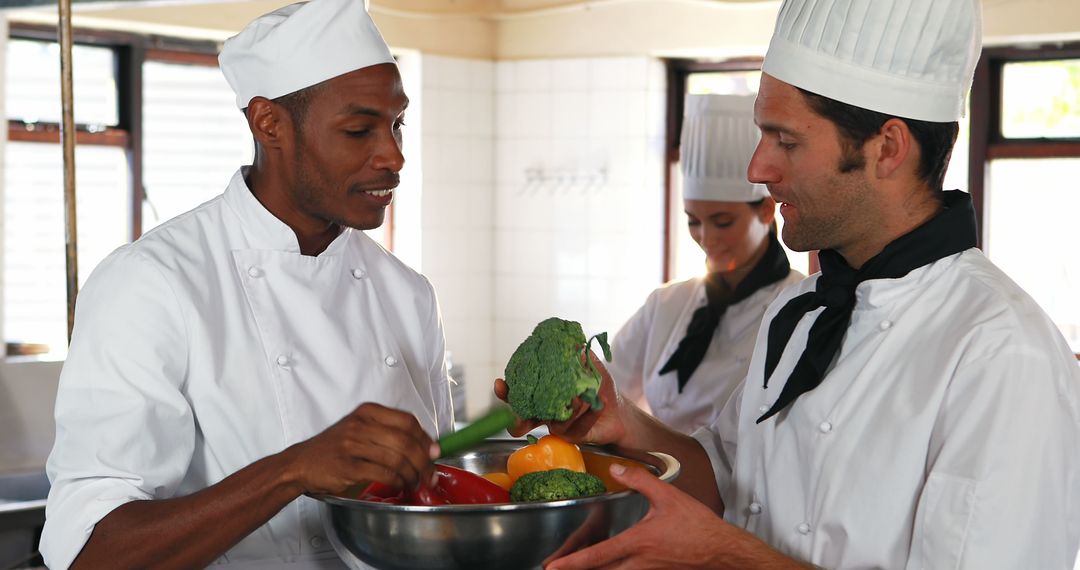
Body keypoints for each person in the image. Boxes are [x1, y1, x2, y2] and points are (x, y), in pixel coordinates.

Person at [500, 0, 1080, 568]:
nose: (756, 169)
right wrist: (623, 420)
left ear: (887, 148)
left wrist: (724, 555)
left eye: (786, 141)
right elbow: (728, 479)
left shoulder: (1003, 354)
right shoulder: (801, 309)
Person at [39, 1, 453, 568]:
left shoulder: (406, 293)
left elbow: (442, 498)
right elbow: (93, 553)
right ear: (269, 123)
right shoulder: (152, 284)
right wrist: (293, 469)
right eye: (360, 129)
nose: (394, 156)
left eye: (397, 123)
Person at [609, 94, 802, 434]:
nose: (706, 237)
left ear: (766, 211)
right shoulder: (667, 304)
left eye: (723, 221)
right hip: (654, 478)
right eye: (693, 221)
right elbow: (604, 387)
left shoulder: (798, 307)